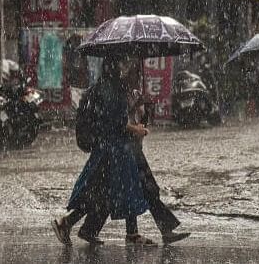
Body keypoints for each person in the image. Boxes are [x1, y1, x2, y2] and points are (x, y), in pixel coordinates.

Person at [51, 56, 148, 245]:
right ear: (117, 68)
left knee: (103, 194)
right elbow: (117, 122)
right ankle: (130, 234)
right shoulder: (112, 89)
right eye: (124, 65)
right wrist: (137, 129)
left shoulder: (102, 86)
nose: (126, 70)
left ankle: (84, 228)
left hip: (107, 149)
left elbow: (109, 119)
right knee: (116, 191)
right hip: (113, 152)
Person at [123, 58, 191, 245]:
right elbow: (119, 122)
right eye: (133, 74)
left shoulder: (136, 93)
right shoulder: (121, 94)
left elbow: (141, 122)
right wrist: (135, 113)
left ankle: (145, 231)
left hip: (135, 148)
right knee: (145, 189)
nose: (136, 78)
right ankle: (160, 229)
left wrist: (145, 112)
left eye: (138, 74)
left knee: (141, 189)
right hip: (127, 151)